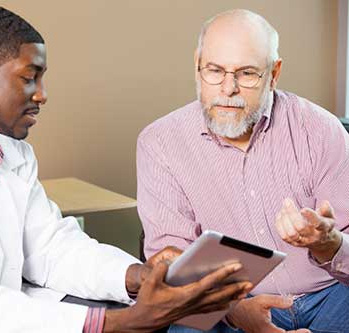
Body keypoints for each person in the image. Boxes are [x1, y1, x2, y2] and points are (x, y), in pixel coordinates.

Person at [0, 5, 253, 333]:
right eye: (30, 77)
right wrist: (124, 323)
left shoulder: (8, 151)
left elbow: (50, 248)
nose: (42, 94)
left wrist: (138, 275)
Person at [137, 8, 349, 333]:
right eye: (215, 70)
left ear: (274, 73)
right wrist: (235, 311)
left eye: (247, 73)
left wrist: (328, 242)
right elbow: (173, 262)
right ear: (197, 65)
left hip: (332, 296)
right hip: (226, 303)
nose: (228, 88)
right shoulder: (160, 142)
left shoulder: (322, 129)